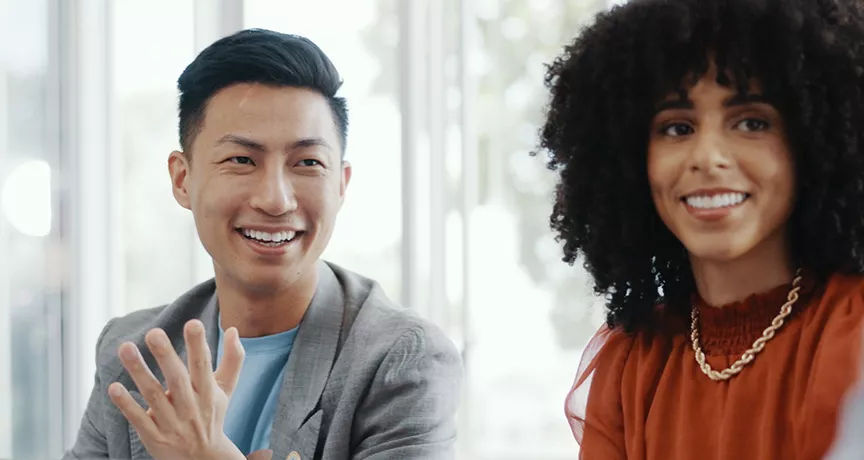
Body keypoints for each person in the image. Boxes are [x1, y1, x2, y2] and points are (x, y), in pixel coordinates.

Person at [63, 29, 462, 460]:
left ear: (341, 185)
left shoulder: (402, 361)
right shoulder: (133, 353)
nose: (276, 199)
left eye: (308, 163)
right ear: (182, 179)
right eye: (241, 160)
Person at [536, 0, 864, 458]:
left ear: (813, 142)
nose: (707, 156)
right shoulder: (632, 362)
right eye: (677, 128)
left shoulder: (854, 333)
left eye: (751, 122)